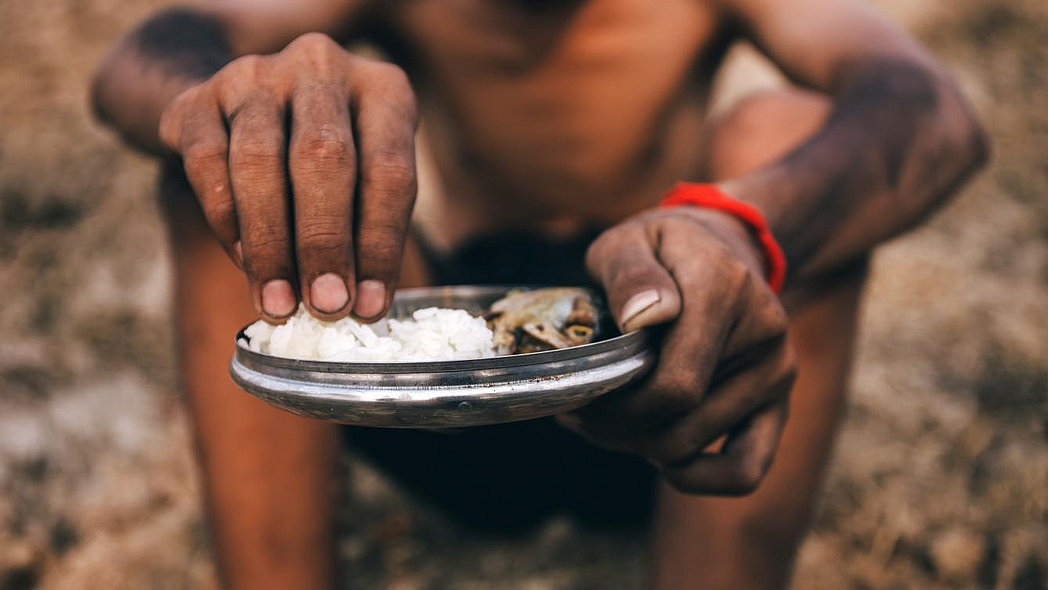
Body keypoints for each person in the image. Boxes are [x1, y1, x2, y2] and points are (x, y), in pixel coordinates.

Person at [91, 0, 987, 588]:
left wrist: (745, 226)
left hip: (674, 390)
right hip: (451, 398)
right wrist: (236, 107)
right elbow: (143, 56)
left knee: (789, 141)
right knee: (238, 161)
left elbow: (927, 108)